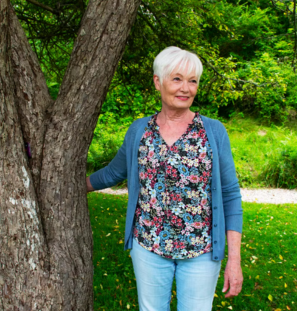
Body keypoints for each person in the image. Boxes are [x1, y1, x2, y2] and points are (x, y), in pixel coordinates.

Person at [86, 46, 243, 311]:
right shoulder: (139, 130)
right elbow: (114, 172)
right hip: (148, 246)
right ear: (158, 82)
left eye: (193, 81)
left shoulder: (213, 132)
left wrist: (234, 260)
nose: (186, 88)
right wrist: (76, 187)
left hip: (201, 251)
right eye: (177, 78)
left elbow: (229, 194)